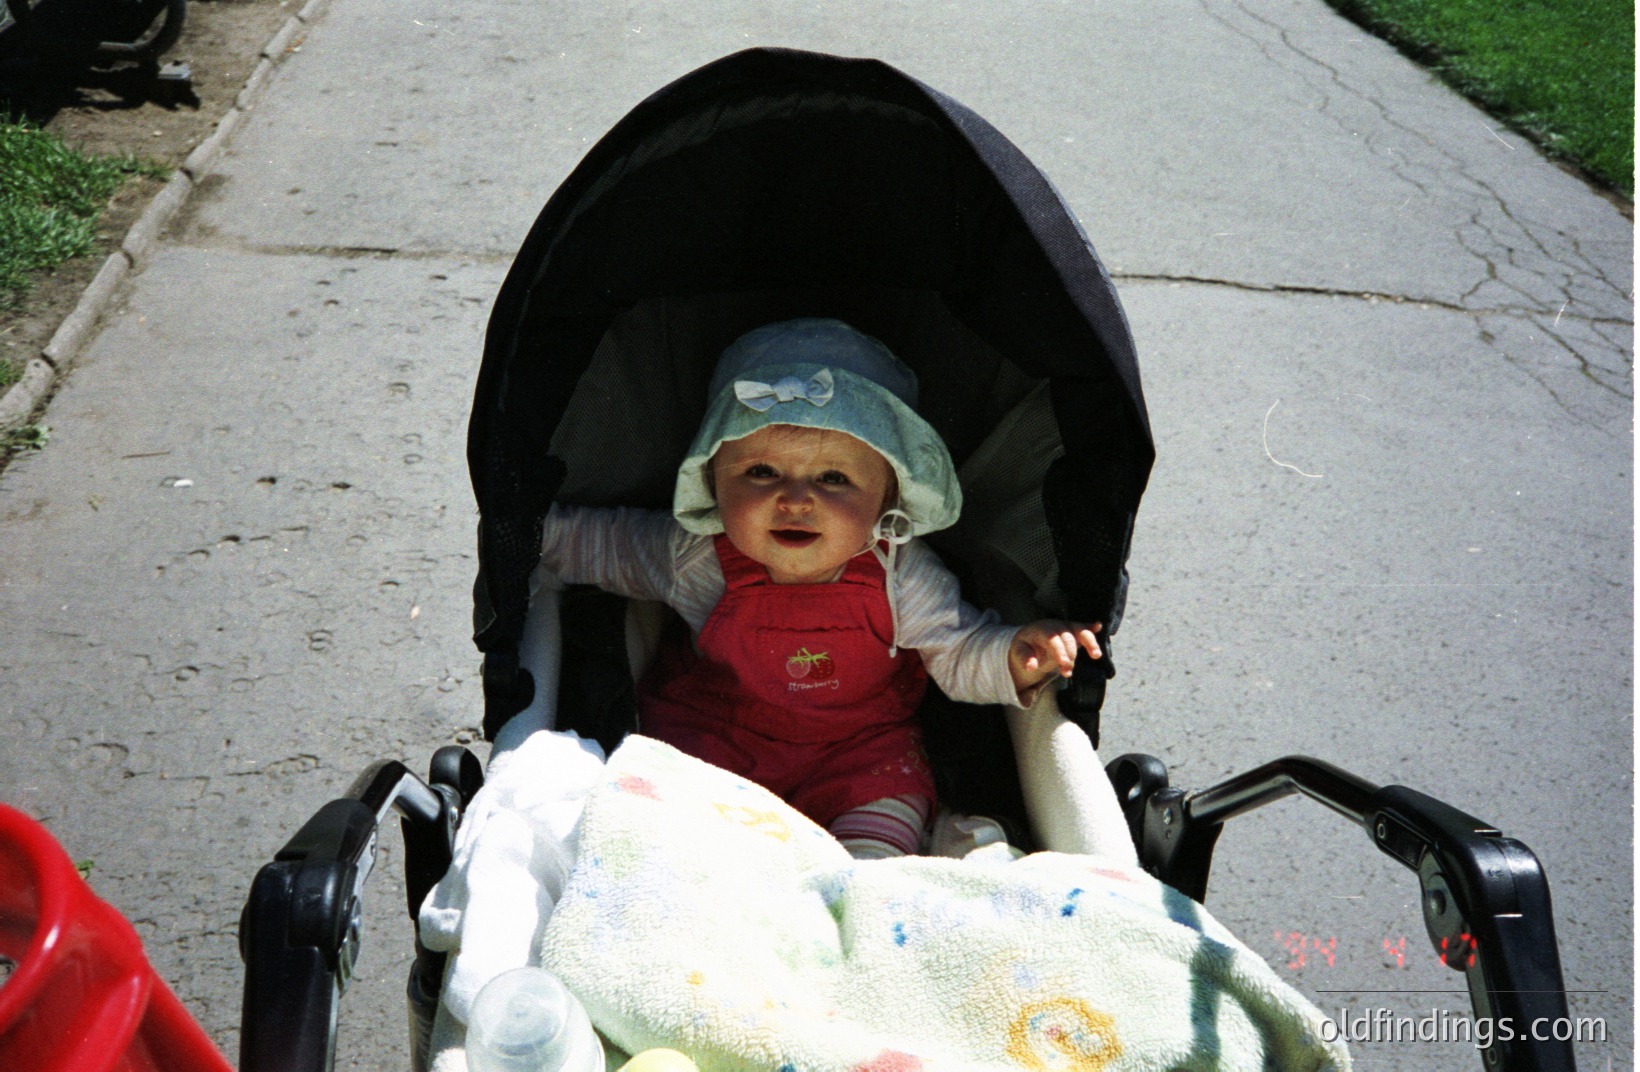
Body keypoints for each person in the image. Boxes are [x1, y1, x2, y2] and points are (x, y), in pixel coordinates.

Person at [537, 318, 1102, 858]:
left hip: (860, 760)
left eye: (834, 478)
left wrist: (1018, 657)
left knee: (877, 856)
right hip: (714, 746)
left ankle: (859, 912)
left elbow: (956, 652)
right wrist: (527, 534)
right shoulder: (691, 554)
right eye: (761, 472)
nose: (795, 499)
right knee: (675, 845)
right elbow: (592, 543)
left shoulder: (901, 572)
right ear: (712, 479)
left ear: (887, 498)